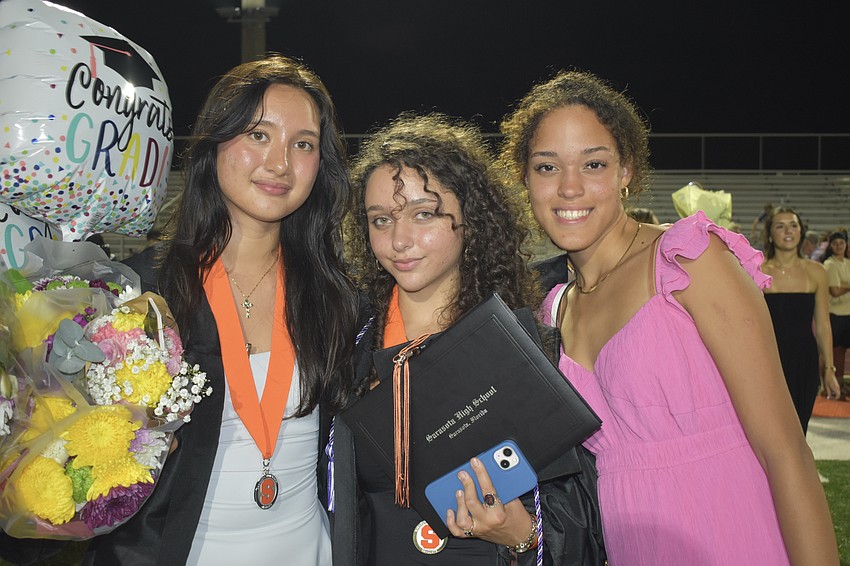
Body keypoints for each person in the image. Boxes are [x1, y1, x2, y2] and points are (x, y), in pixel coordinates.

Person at [499, 70, 839, 565]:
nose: (569, 188)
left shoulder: (689, 260)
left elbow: (785, 451)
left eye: (593, 163)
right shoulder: (550, 311)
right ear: (525, 179)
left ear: (626, 170)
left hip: (735, 535)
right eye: (547, 167)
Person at [81, 54, 358, 565]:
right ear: (215, 143)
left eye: (303, 144)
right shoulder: (141, 296)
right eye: (258, 135)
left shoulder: (337, 294)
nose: (280, 164)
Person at [331, 113, 604, 565]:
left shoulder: (522, 351)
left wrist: (524, 535)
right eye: (381, 220)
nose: (400, 240)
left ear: (471, 221)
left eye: (424, 214)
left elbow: (577, 519)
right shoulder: (350, 349)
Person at [760, 207, 841, 433]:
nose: (788, 231)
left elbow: (824, 325)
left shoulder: (816, 272)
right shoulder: (758, 271)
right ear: (770, 234)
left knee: (798, 432)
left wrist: (829, 368)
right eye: (780, 225)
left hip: (804, 363)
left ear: (801, 231)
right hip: (768, 362)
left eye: (793, 225)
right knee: (771, 434)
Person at [821, 230, 850, 400]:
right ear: (830, 246)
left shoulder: (847, 262)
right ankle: (832, 385)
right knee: (835, 351)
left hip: (847, 313)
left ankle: (840, 385)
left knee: (843, 350)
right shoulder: (829, 264)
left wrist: (844, 285)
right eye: (835, 243)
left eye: (842, 243)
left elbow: (841, 288)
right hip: (836, 313)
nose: (839, 246)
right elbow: (835, 290)